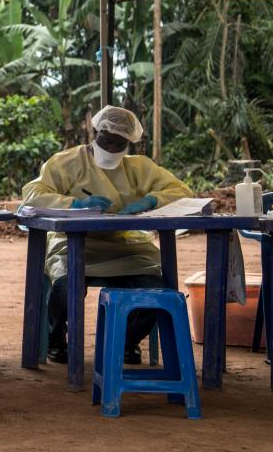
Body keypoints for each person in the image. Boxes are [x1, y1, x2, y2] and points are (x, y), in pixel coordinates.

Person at [21, 105, 194, 365]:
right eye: (107, 141)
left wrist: (151, 200)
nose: (112, 148)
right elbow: (33, 195)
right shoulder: (66, 162)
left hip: (125, 245)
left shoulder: (139, 167)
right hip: (73, 243)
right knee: (64, 287)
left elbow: (182, 192)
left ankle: (126, 341)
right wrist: (73, 205)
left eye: (119, 144)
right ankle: (56, 340)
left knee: (157, 290)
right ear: (96, 133)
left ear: (129, 144)